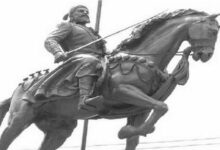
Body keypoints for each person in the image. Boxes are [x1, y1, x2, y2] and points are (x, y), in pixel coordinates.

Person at [44, 5, 106, 110]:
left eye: (87, 11)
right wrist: (57, 52)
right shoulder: (68, 26)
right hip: (79, 59)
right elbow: (50, 40)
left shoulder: (92, 32)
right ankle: (84, 99)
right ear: (72, 16)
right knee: (90, 61)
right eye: (81, 11)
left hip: (100, 59)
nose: (85, 13)